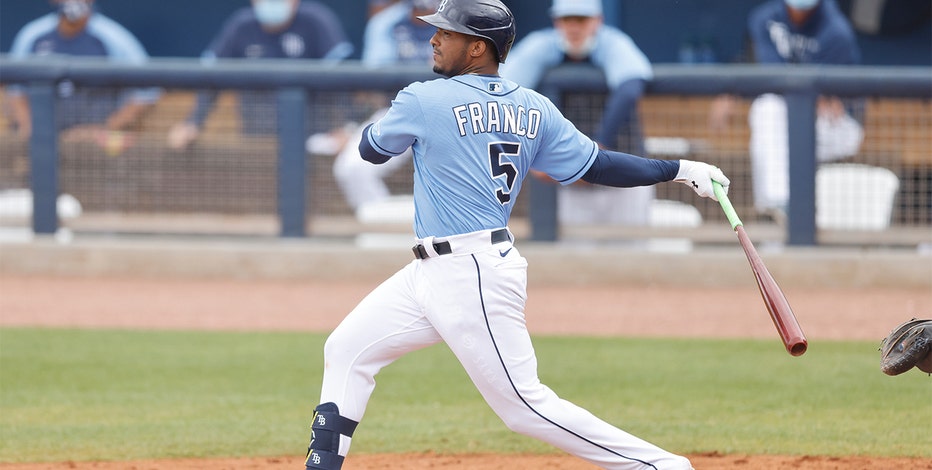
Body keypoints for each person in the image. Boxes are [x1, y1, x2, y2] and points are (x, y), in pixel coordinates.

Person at [302, 1, 729, 469]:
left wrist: (400, 119)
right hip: (431, 271)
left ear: (477, 49)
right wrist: (681, 169)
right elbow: (601, 165)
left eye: (447, 33)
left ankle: (662, 466)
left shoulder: (423, 98)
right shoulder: (533, 107)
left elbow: (370, 150)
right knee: (346, 349)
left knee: (525, 408)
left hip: (471, 273)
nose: (434, 38)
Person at [500, 0, 656, 226]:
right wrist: (532, 152)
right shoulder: (542, 45)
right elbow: (502, 91)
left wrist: (599, 144)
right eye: (566, 20)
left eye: (581, 20)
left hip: (624, 178)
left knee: (633, 253)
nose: (573, 27)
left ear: (597, 21)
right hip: (572, 184)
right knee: (577, 255)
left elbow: (630, 88)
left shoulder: (613, 43)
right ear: (556, 22)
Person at [710, 0, 863, 220]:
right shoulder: (765, 19)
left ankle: (777, 210)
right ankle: (779, 211)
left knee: (774, 119)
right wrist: (733, 92)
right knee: (768, 109)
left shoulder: (836, 30)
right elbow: (771, 77)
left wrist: (818, 94)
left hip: (839, 128)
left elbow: (831, 102)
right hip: (791, 120)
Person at [167, 0, 353, 150]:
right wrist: (193, 122)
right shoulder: (241, 25)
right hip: (258, 137)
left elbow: (342, 80)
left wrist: (347, 125)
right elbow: (213, 80)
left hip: (313, 136)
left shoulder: (316, 20)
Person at [328, 0, 439, 216]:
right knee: (352, 168)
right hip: (401, 110)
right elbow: (374, 81)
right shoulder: (389, 23)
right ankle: (387, 227)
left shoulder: (464, 19)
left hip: (452, 112)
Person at [5, 0, 160, 141]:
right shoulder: (33, 35)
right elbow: (16, 90)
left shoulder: (112, 37)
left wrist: (106, 128)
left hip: (94, 142)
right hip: (42, 137)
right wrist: (29, 127)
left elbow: (148, 91)